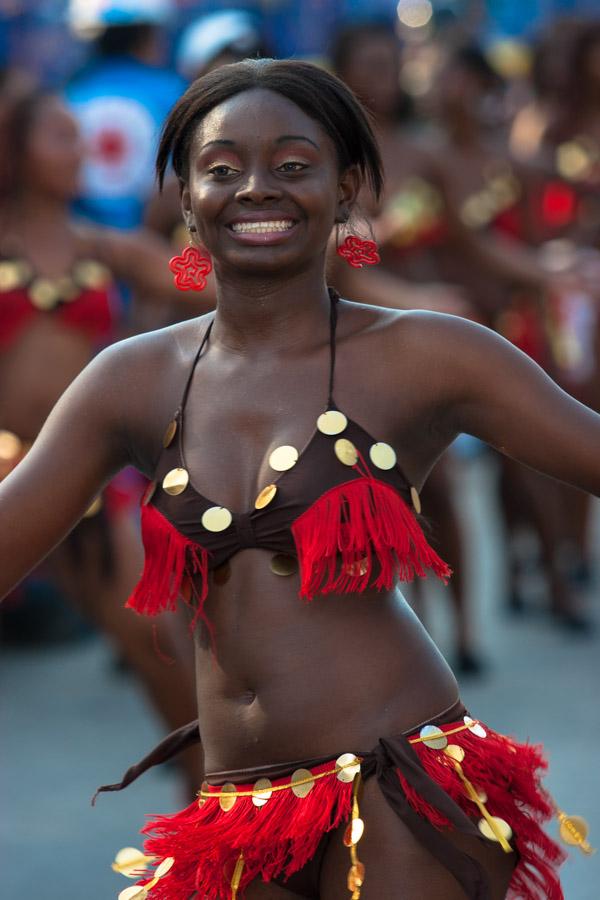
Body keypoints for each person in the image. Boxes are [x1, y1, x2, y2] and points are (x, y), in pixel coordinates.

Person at [2, 58, 595, 899]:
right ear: (185, 200)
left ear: (346, 187)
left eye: (291, 166)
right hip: (235, 814)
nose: (255, 189)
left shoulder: (426, 356)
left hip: (397, 786)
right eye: (220, 169)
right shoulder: (129, 380)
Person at [0, 86, 210, 791]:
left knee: (157, 647)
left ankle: (206, 793)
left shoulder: (102, 244)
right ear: (14, 150)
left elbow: (195, 277)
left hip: (81, 480)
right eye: (60, 136)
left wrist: (229, 235)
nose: (80, 148)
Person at [64, 0, 185, 231]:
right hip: (157, 237)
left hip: (84, 235)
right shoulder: (172, 91)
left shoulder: (70, 94)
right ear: (145, 36)